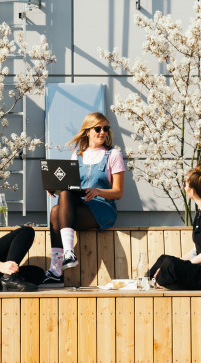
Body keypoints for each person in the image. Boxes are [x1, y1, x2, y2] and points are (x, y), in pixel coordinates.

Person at [42, 112, 125, 286]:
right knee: (56, 208)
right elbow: (72, 190)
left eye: (105, 128)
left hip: (103, 208)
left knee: (57, 211)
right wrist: (55, 189)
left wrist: (98, 191)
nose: (102, 132)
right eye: (98, 128)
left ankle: (62, 263)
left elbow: (118, 192)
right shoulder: (77, 156)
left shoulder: (113, 155)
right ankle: (60, 264)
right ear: (87, 131)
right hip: (80, 207)